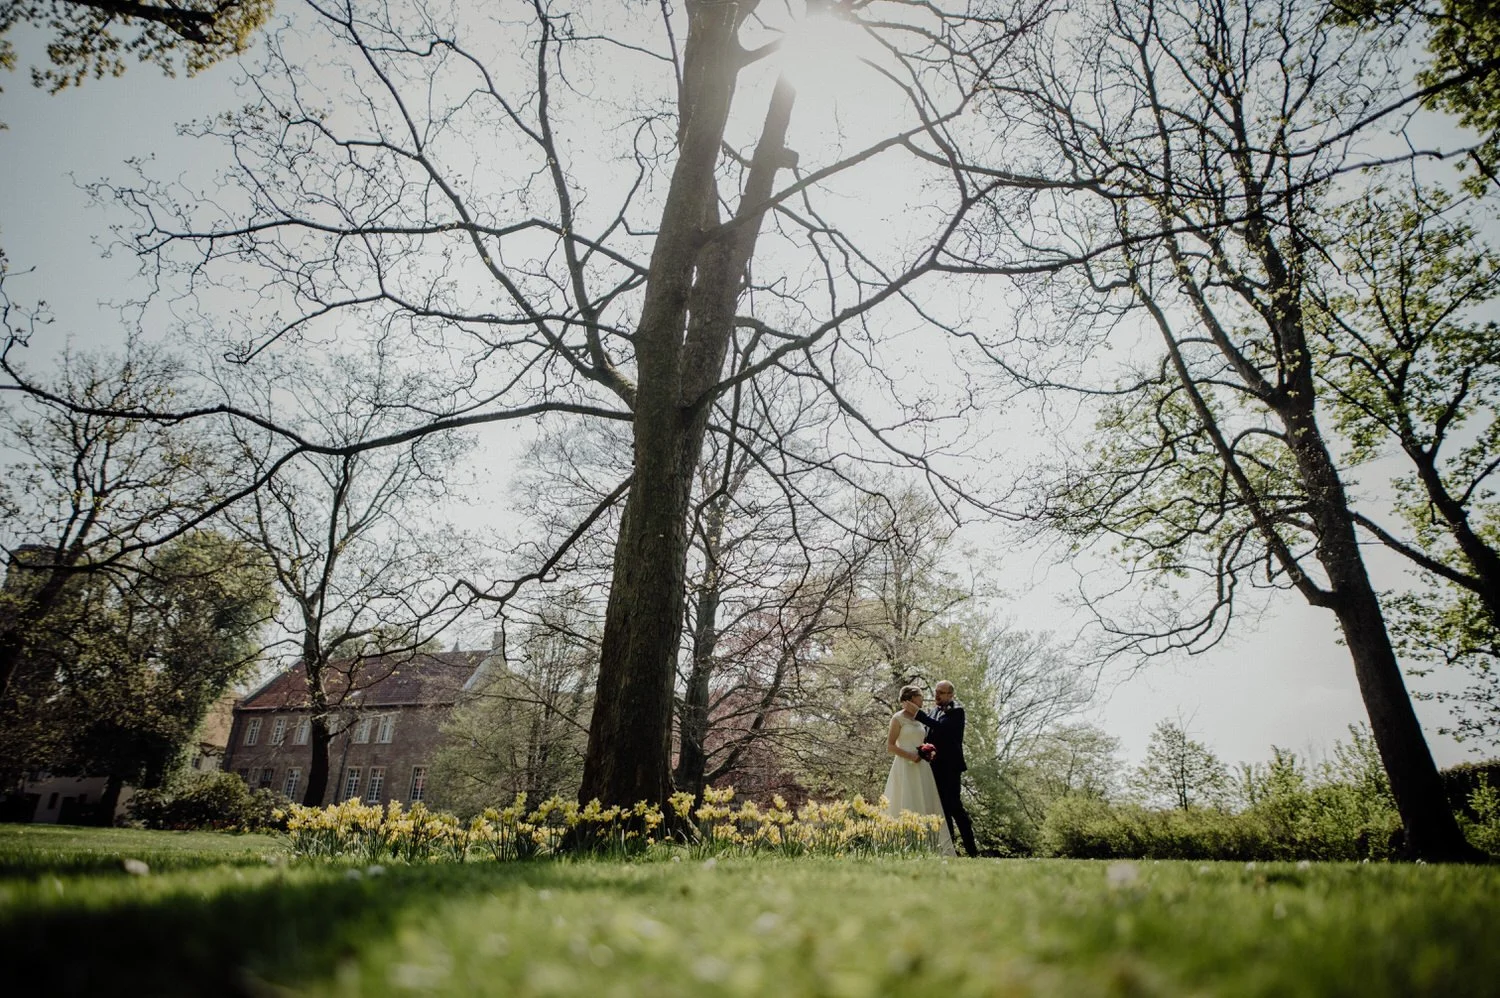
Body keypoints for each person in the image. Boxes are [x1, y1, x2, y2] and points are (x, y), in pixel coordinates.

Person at [882, 685, 956, 856]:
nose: (923, 699)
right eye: (920, 696)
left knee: (925, 800)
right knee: (905, 799)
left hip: (922, 766)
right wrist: (910, 756)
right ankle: (903, 844)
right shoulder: (897, 718)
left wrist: (925, 751)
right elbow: (890, 746)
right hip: (904, 765)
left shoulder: (921, 718)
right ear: (911, 699)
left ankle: (931, 845)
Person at [916, 679, 979, 857]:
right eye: (936, 691)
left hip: (951, 767)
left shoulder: (957, 711)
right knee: (942, 808)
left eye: (941, 692)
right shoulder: (934, 711)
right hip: (934, 767)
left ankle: (972, 850)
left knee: (955, 807)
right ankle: (950, 849)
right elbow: (930, 734)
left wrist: (918, 714)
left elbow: (942, 728)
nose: (936, 695)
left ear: (951, 695)